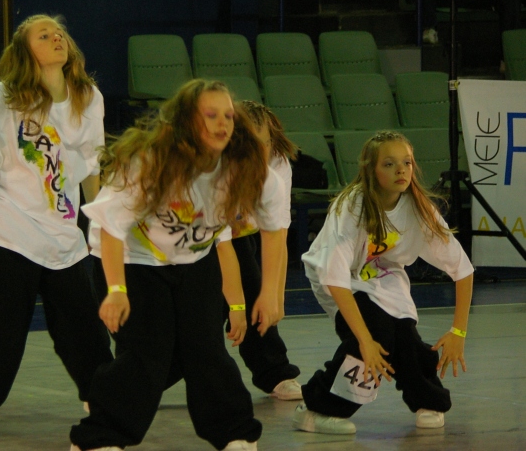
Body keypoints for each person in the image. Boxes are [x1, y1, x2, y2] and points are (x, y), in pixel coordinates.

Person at [0, 0, 114, 439]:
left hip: (60, 234)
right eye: (43, 34)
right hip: (2, 227)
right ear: (24, 51)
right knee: (3, 330)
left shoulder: (88, 98)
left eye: (59, 33)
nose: (56, 37)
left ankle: (102, 397)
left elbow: (91, 167)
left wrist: (98, 225)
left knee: (84, 326)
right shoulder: (5, 97)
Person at [70, 80, 275, 451]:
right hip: (132, 258)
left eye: (228, 116)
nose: (223, 123)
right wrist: (116, 290)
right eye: (211, 115)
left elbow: (238, 241)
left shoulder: (239, 169)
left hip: (193, 259)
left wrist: (242, 303)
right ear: (186, 121)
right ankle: (98, 437)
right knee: (147, 352)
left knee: (207, 349)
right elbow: (110, 229)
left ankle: (235, 432)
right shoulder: (150, 162)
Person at [293, 131, 474, 435]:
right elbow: (335, 278)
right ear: (371, 170)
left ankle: (428, 400)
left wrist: (459, 332)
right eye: (389, 164)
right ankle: (316, 409)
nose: (401, 170)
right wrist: (364, 340)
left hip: (383, 275)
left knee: (406, 340)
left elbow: (463, 270)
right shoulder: (352, 206)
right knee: (375, 335)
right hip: (338, 278)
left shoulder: (419, 208)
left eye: (406, 163)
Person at [229, 100, 303, 401]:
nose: (255, 152)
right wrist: (235, 305)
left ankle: (275, 373)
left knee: (257, 297)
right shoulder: (213, 163)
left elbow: (277, 233)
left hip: (243, 237)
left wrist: (275, 296)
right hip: (194, 243)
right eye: (246, 143)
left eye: (262, 143)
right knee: (193, 324)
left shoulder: (278, 165)